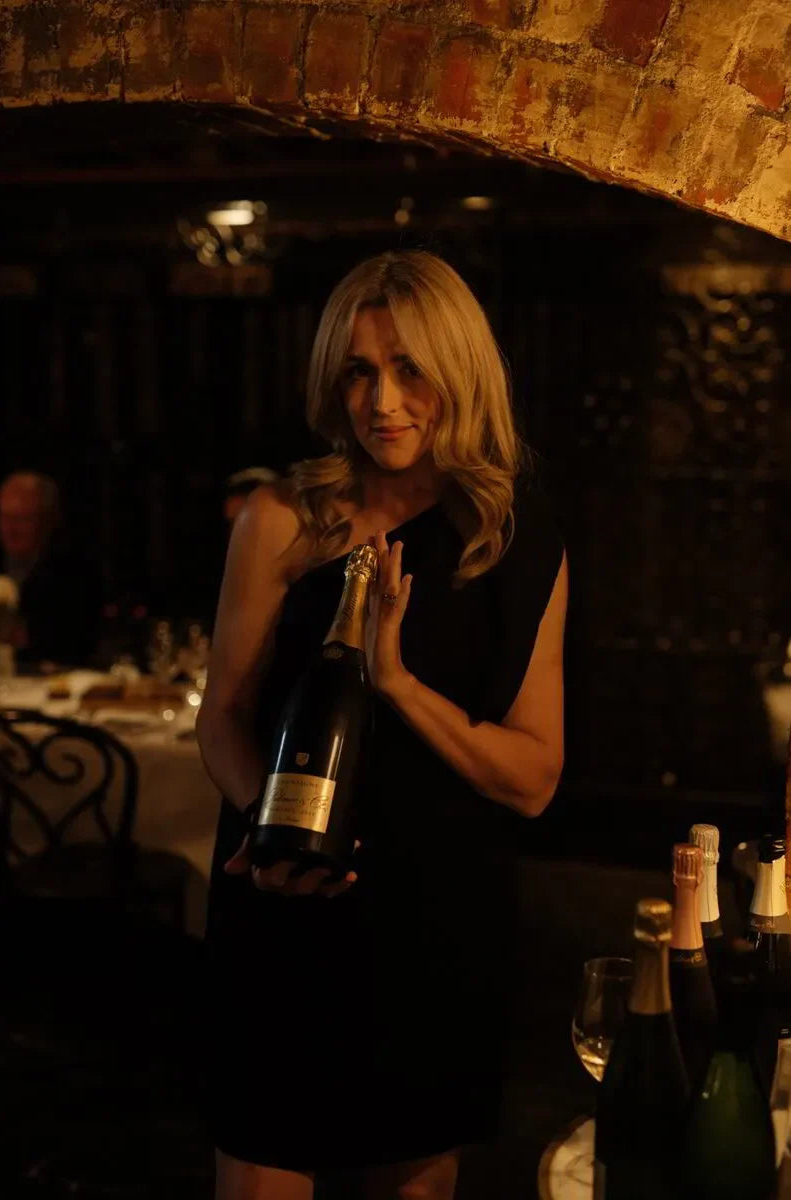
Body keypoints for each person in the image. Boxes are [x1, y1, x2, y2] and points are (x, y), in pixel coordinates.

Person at [196, 251, 568, 1200]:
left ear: (462, 372)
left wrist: (394, 681)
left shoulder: (511, 542)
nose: (382, 401)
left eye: (409, 369)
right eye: (358, 371)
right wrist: (267, 833)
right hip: (288, 912)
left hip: (432, 925)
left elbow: (531, 779)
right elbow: (224, 720)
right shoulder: (282, 519)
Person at [0, 470, 99, 668]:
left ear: (47, 520)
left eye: (22, 519)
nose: (10, 529)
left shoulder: (72, 574)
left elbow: (75, 644)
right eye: (4, 517)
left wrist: (26, 637)